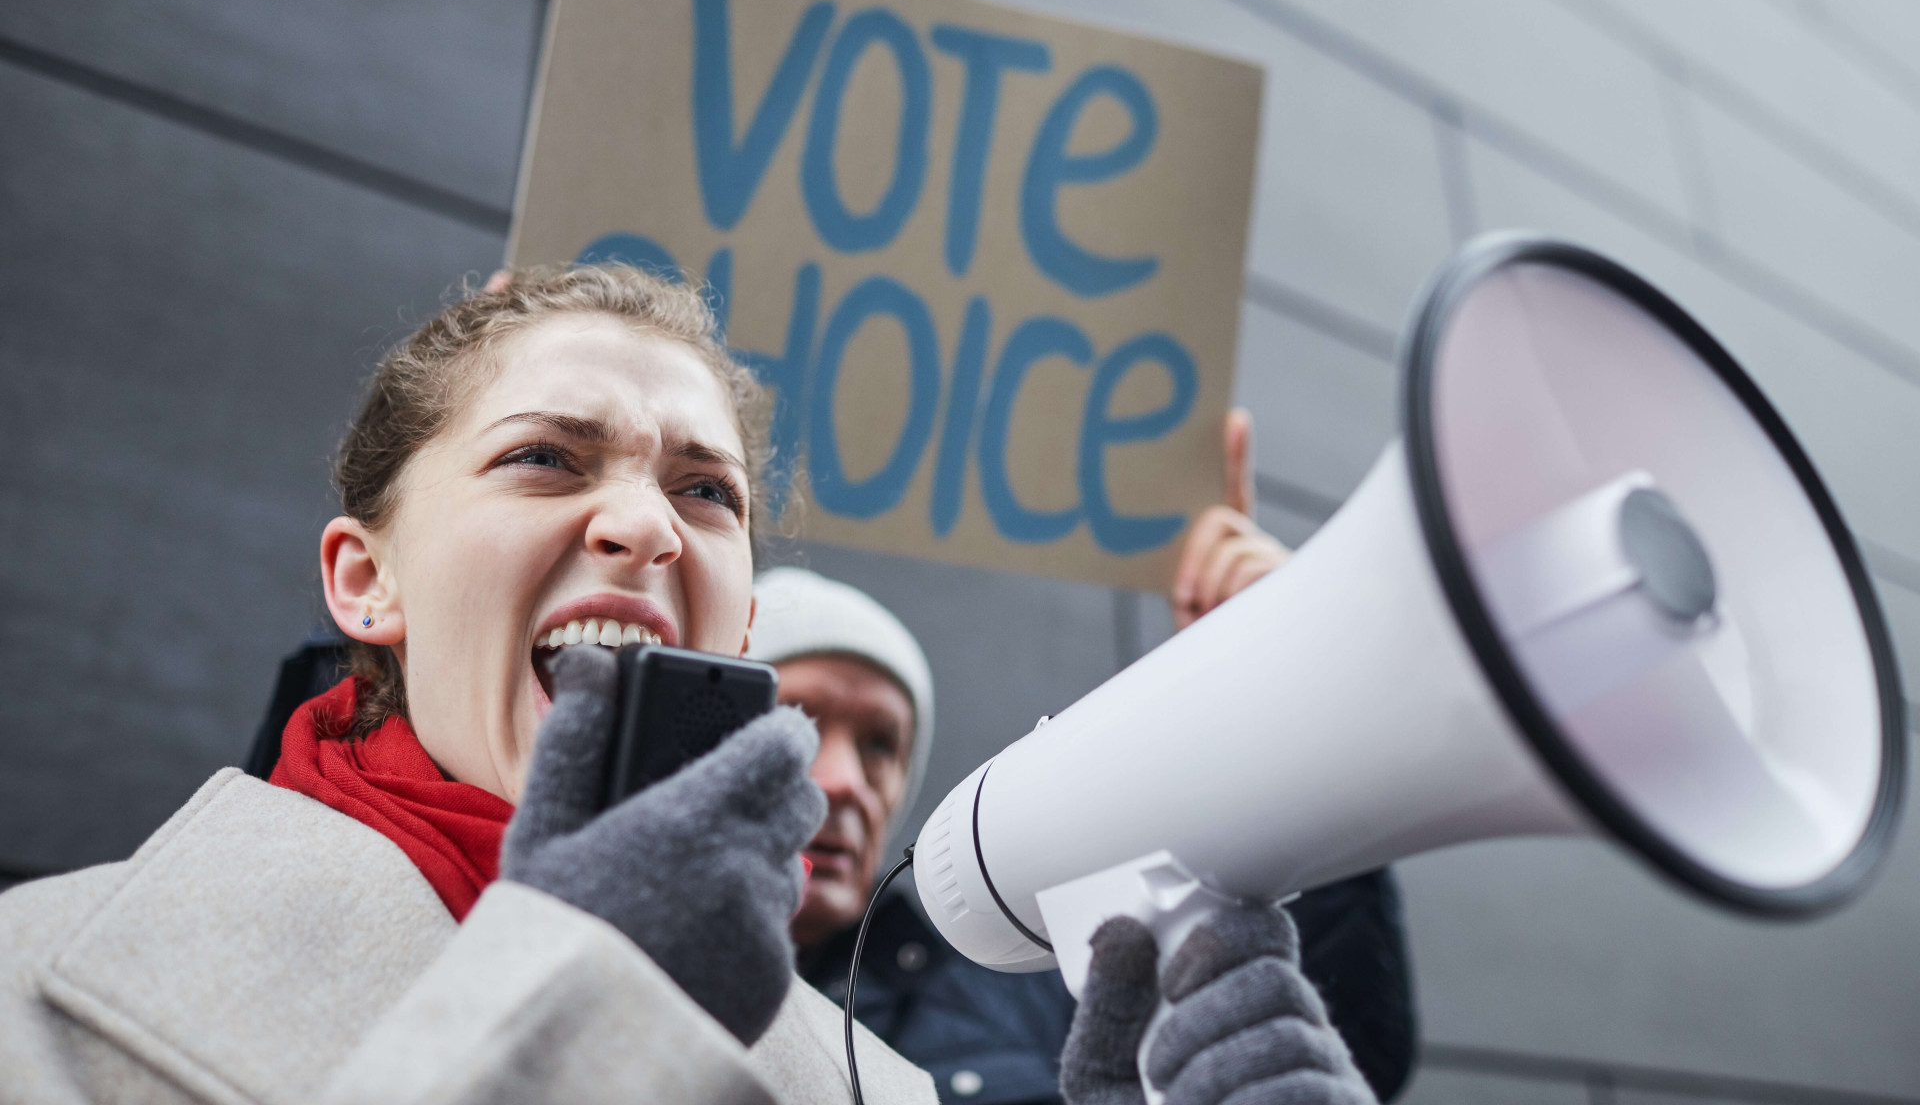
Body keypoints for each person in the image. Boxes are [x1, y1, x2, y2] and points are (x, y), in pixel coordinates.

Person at [2, 264, 1375, 1105]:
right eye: (545, 455)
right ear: (366, 580)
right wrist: (598, 1007)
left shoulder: (871, 1088)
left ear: (738, 627)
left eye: (705, 491)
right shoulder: (33, 980)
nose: (650, 528)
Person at [751, 413, 1414, 1105]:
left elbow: (1340, 1040)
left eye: (880, 745)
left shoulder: (1040, 984)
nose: (844, 780)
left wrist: (1270, 707)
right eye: (798, 718)